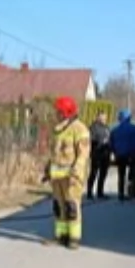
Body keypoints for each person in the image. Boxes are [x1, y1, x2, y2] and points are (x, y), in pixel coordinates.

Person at [43, 96, 89, 248]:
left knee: (71, 207)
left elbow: (83, 154)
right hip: (57, 177)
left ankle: (73, 238)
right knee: (58, 207)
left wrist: (77, 171)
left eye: (59, 111)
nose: (57, 114)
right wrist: (48, 169)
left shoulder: (79, 129)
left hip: (71, 178)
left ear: (66, 112)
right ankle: (60, 236)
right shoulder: (58, 129)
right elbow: (54, 154)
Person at [109, 108, 135, 201]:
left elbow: (111, 143)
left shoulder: (115, 130)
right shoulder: (134, 129)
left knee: (121, 174)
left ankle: (121, 194)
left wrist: (115, 153)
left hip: (120, 155)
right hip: (132, 154)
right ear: (129, 118)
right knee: (133, 174)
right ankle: (132, 193)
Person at [86, 112, 111, 200]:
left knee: (103, 174)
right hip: (97, 154)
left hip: (106, 154)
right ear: (98, 118)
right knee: (94, 173)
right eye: (102, 118)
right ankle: (89, 192)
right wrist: (100, 142)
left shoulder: (107, 127)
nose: (104, 119)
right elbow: (91, 140)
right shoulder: (93, 127)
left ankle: (100, 192)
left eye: (105, 118)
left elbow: (110, 138)